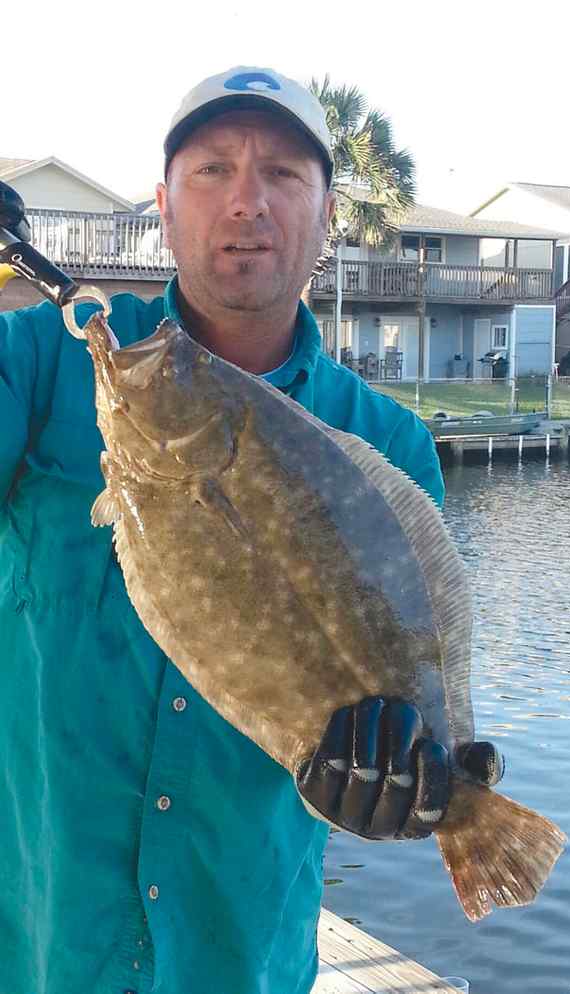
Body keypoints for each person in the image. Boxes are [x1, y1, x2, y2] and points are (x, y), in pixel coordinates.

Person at [0, 66, 502, 994]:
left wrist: (412, 784)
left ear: (325, 210)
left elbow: (411, 672)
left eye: (281, 172)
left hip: (239, 960)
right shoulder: (38, 361)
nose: (245, 201)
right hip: (34, 948)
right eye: (211, 170)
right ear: (161, 204)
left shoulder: (388, 444)